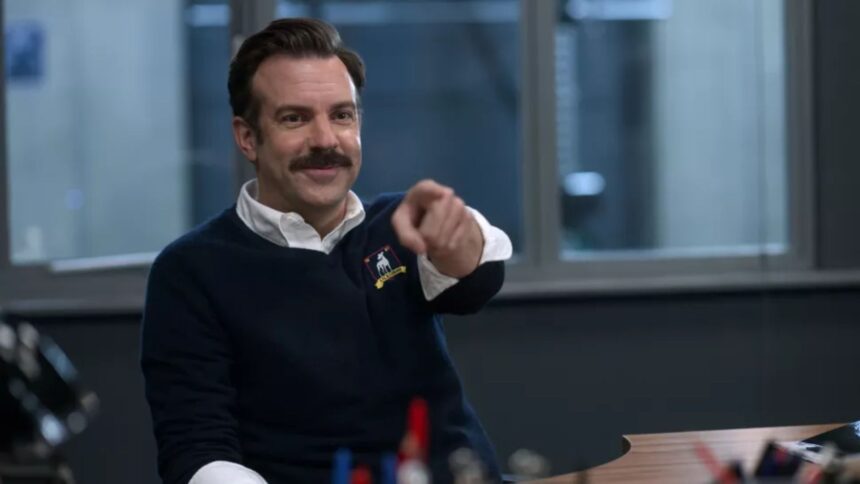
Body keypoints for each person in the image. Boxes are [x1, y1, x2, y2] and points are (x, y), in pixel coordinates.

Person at [140, 17, 512, 484]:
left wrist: (455, 238)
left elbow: (477, 280)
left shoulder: (399, 225)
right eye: (295, 118)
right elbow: (198, 453)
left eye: (341, 115)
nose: (325, 140)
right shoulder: (191, 271)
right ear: (247, 137)